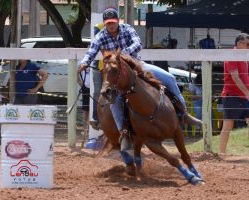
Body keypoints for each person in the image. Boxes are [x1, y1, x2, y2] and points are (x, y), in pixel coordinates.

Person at [78, 7, 201, 150]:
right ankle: (123, 133)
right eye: (108, 23)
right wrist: (84, 63)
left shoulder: (127, 29)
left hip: (137, 67)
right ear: (105, 24)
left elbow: (138, 43)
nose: (111, 25)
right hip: (117, 75)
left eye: (113, 22)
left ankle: (184, 113)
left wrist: (122, 54)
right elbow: (91, 51)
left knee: (170, 78)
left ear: (117, 21)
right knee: (114, 101)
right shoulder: (101, 37)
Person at [220, 33, 249, 154]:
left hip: (244, 96)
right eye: (247, 44)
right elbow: (235, 78)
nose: (248, 47)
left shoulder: (243, 57)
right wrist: (247, 93)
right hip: (232, 96)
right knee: (228, 125)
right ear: (239, 44)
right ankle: (222, 153)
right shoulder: (232, 55)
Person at [77, 63, 90, 136]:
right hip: (85, 88)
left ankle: (88, 129)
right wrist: (81, 84)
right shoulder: (81, 62)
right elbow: (76, 73)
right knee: (85, 110)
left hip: (94, 87)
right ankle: (85, 129)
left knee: (92, 110)